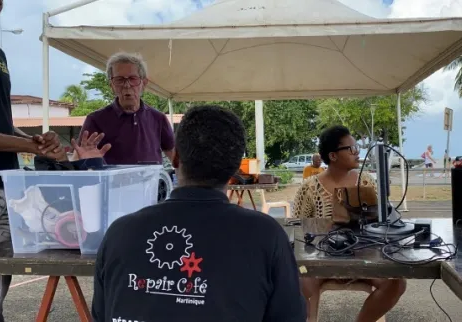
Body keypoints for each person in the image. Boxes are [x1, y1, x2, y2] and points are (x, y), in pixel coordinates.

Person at [92, 105, 306, 322]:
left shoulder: (120, 232)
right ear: (234, 170)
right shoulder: (266, 236)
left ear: (175, 159)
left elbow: (101, 313)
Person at [0, 1, 63, 319]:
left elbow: (2, 119)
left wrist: (33, 140)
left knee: (1, 264)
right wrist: (29, 147)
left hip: (5, 183)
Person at [293, 125, 406, 322]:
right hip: (320, 265)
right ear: (333, 156)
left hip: (366, 263)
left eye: (357, 148)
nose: (357, 152)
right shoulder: (309, 188)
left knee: (397, 283)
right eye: (351, 149)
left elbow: (382, 221)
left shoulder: (367, 182)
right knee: (297, 282)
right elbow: (296, 228)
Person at [77, 52, 175, 165]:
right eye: (119, 79)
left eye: (133, 78)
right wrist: (88, 162)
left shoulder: (158, 118)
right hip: (111, 182)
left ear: (144, 83)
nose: (127, 85)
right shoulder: (95, 120)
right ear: (112, 86)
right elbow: (79, 158)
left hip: (151, 182)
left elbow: (174, 156)